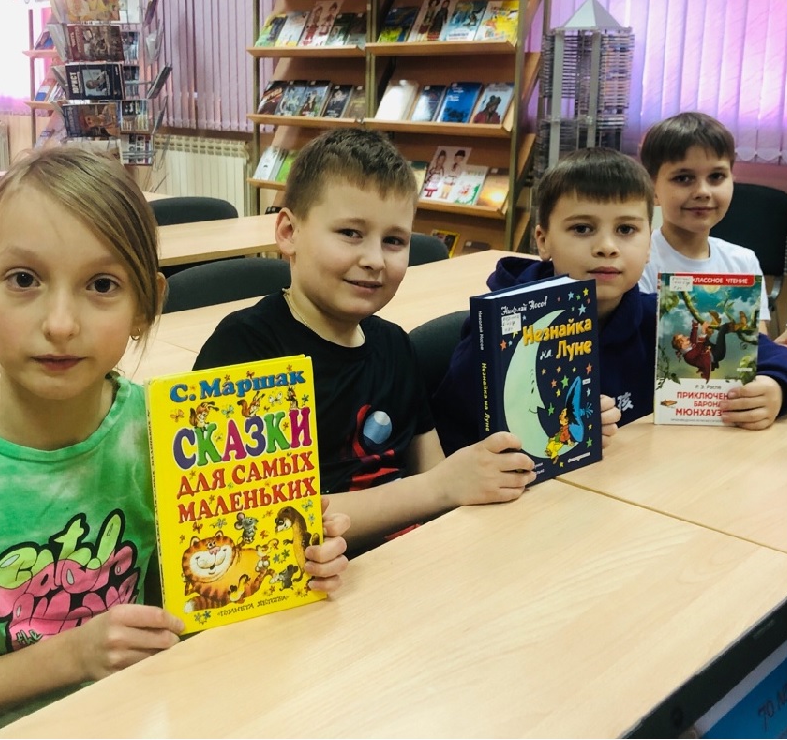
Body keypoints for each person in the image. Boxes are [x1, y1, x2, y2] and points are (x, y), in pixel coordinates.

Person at [0, 146, 349, 738]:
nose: (60, 323)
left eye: (102, 285)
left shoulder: (167, 435)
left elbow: (211, 591)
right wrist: (70, 657)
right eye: (24, 280)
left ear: (146, 305)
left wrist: (289, 557)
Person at [193, 128, 536, 552]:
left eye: (394, 241)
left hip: (407, 561)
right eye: (350, 233)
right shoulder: (245, 351)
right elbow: (261, 522)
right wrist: (439, 489)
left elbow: (434, 475)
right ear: (288, 232)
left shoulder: (394, 345)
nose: (374, 259)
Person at [432, 149, 787, 451]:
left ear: (648, 244)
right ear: (543, 241)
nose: (607, 247)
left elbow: (770, 353)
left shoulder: (663, 317)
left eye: (626, 229)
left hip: (633, 486)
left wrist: (775, 387)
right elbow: (457, 426)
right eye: (582, 228)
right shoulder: (502, 327)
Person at [637, 112, 787, 340]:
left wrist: (778, 352)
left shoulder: (743, 262)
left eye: (716, 176)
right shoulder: (639, 261)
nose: (703, 192)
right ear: (652, 189)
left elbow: (755, 345)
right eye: (683, 178)